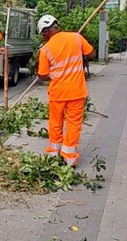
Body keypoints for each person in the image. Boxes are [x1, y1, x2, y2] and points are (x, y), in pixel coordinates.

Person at [36, 15, 95, 167]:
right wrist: (78, 48)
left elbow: (42, 76)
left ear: (46, 32)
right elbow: (92, 54)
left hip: (58, 93)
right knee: (73, 124)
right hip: (77, 92)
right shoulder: (76, 37)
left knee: (55, 123)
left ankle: (54, 153)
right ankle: (69, 157)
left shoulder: (46, 49)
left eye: (43, 34)